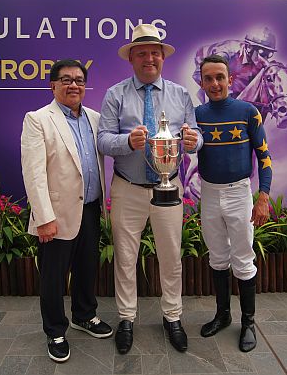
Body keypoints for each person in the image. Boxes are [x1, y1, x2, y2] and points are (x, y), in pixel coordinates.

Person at [97, 24, 203, 354]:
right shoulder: (115, 95)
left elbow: (196, 137)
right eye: (141, 53)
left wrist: (192, 141)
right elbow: (102, 140)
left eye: (155, 53)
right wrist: (127, 141)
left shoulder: (180, 94)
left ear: (163, 58)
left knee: (171, 257)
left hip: (168, 190)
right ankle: (126, 318)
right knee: (125, 257)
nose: (149, 58)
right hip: (128, 188)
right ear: (131, 58)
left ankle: (172, 317)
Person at [21, 59, 112, 363]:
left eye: (80, 80)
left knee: (87, 268)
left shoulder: (96, 118)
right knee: (53, 276)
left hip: (90, 208)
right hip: (56, 215)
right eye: (66, 80)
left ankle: (85, 316)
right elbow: (33, 174)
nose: (74, 85)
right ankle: (55, 331)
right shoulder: (37, 119)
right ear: (53, 85)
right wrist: (44, 218)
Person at [195, 54, 272, 352]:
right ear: (201, 82)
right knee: (217, 256)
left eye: (220, 77)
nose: (215, 83)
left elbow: (264, 157)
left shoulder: (248, 112)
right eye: (209, 78)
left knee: (243, 257)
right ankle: (222, 315)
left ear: (230, 80)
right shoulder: (197, 115)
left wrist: (262, 196)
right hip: (209, 193)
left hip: (240, 193)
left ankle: (248, 322)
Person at [191, 27, 277, 103]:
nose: (265, 60)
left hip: (234, 71)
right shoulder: (227, 53)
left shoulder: (257, 61)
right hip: (205, 59)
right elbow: (198, 74)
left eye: (269, 54)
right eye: (262, 53)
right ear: (249, 48)